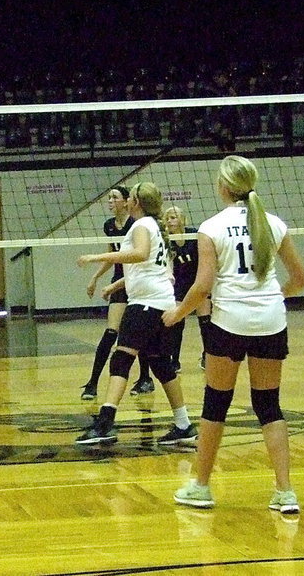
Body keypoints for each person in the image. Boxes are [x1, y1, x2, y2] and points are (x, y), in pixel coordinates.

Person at [163, 155, 304, 513]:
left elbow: (202, 287)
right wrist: (271, 298)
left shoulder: (211, 227)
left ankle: (200, 487)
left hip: (229, 324)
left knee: (216, 402)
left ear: (224, 187)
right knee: (268, 405)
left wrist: (177, 314)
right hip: (272, 322)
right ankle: (285, 492)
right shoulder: (274, 223)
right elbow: (301, 279)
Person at [75, 182, 197, 446]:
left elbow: (140, 254)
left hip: (145, 305)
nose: (127, 200)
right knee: (161, 364)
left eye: (129, 197)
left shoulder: (142, 226)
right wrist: (116, 285)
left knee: (120, 360)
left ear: (136, 203)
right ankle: (184, 424)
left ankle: (106, 422)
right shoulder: (155, 227)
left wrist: (96, 257)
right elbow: (151, 267)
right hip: (161, 303)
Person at [81, 186, 153, 400]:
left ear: (126, 201)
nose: (110, 201)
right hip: (120, 281)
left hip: (137, 281)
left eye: (115, 197)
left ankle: (145, 379)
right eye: (109, 198)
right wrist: (95, 277)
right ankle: (93, 383)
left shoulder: (137, 225)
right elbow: (114, 255)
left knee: (139, 334)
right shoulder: (109, 226)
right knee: (111, 332)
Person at [164, 206, 212, 371]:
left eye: (173, 217)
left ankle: (208, 356)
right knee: (177, 321)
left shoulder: (195, 235)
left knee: (205, 322)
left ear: (182, 219)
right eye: (168, 218)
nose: (170, 221)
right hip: (179, 285)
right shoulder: (166, 241)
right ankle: (174, 360)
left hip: (197, 282)